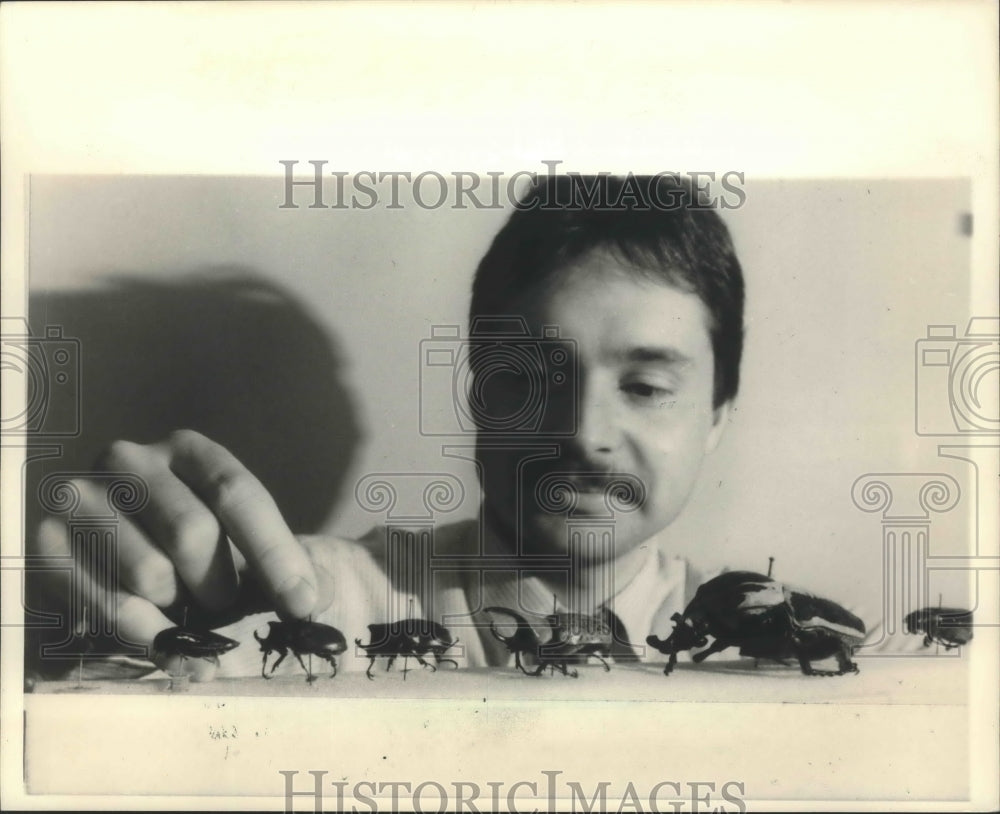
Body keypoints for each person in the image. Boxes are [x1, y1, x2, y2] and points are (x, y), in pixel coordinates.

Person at [30, 174, 745, 679]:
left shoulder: (778, 646)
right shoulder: (317, 598)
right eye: (530, 381)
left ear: (716, 417)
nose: (586, 432)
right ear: (479, 399)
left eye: (647, 386)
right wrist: (132, 608)